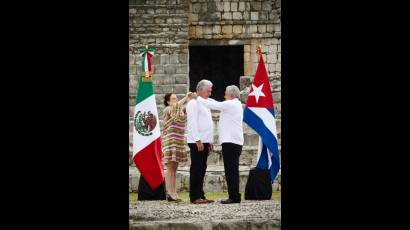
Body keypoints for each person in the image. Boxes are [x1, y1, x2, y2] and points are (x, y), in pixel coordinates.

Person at [196, 85, 244, 204]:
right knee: (232, 170)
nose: (224, 96)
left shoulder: (231, 104)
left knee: (231, 170)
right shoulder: (233, 104)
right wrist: (205, 99)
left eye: (226, 94)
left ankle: (234, 197)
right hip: (233, 142)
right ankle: (234, 195)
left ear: (231, 95)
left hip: (231, 142)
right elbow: (215, 102)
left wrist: (197, 97)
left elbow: (215, 105)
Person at [186, 79, 215, 204]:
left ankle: (201, 194)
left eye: (210, 91)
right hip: (196, 141)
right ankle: (194, 196)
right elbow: (192, 123)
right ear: (200, 90)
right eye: (208, 91)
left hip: (205, 140)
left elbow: (207, 122)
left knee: (202, 168)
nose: (210, 93)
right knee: (197, 168)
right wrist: (198, 140)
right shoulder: (193, 103)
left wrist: (210, 140)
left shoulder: (205, 103)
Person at [162, 91, 195, 202]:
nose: (176, 100)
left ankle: (174, 193)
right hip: (171, 142)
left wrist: (191, 99)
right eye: (173, 99)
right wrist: (186, 97)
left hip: (178, 141)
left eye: (176, 98)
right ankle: (169, 193)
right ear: (168, 102)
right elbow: (175, 108)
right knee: (170, 169)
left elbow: (187, 111)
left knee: (174, 170)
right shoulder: (168, 109)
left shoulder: (180, 110)